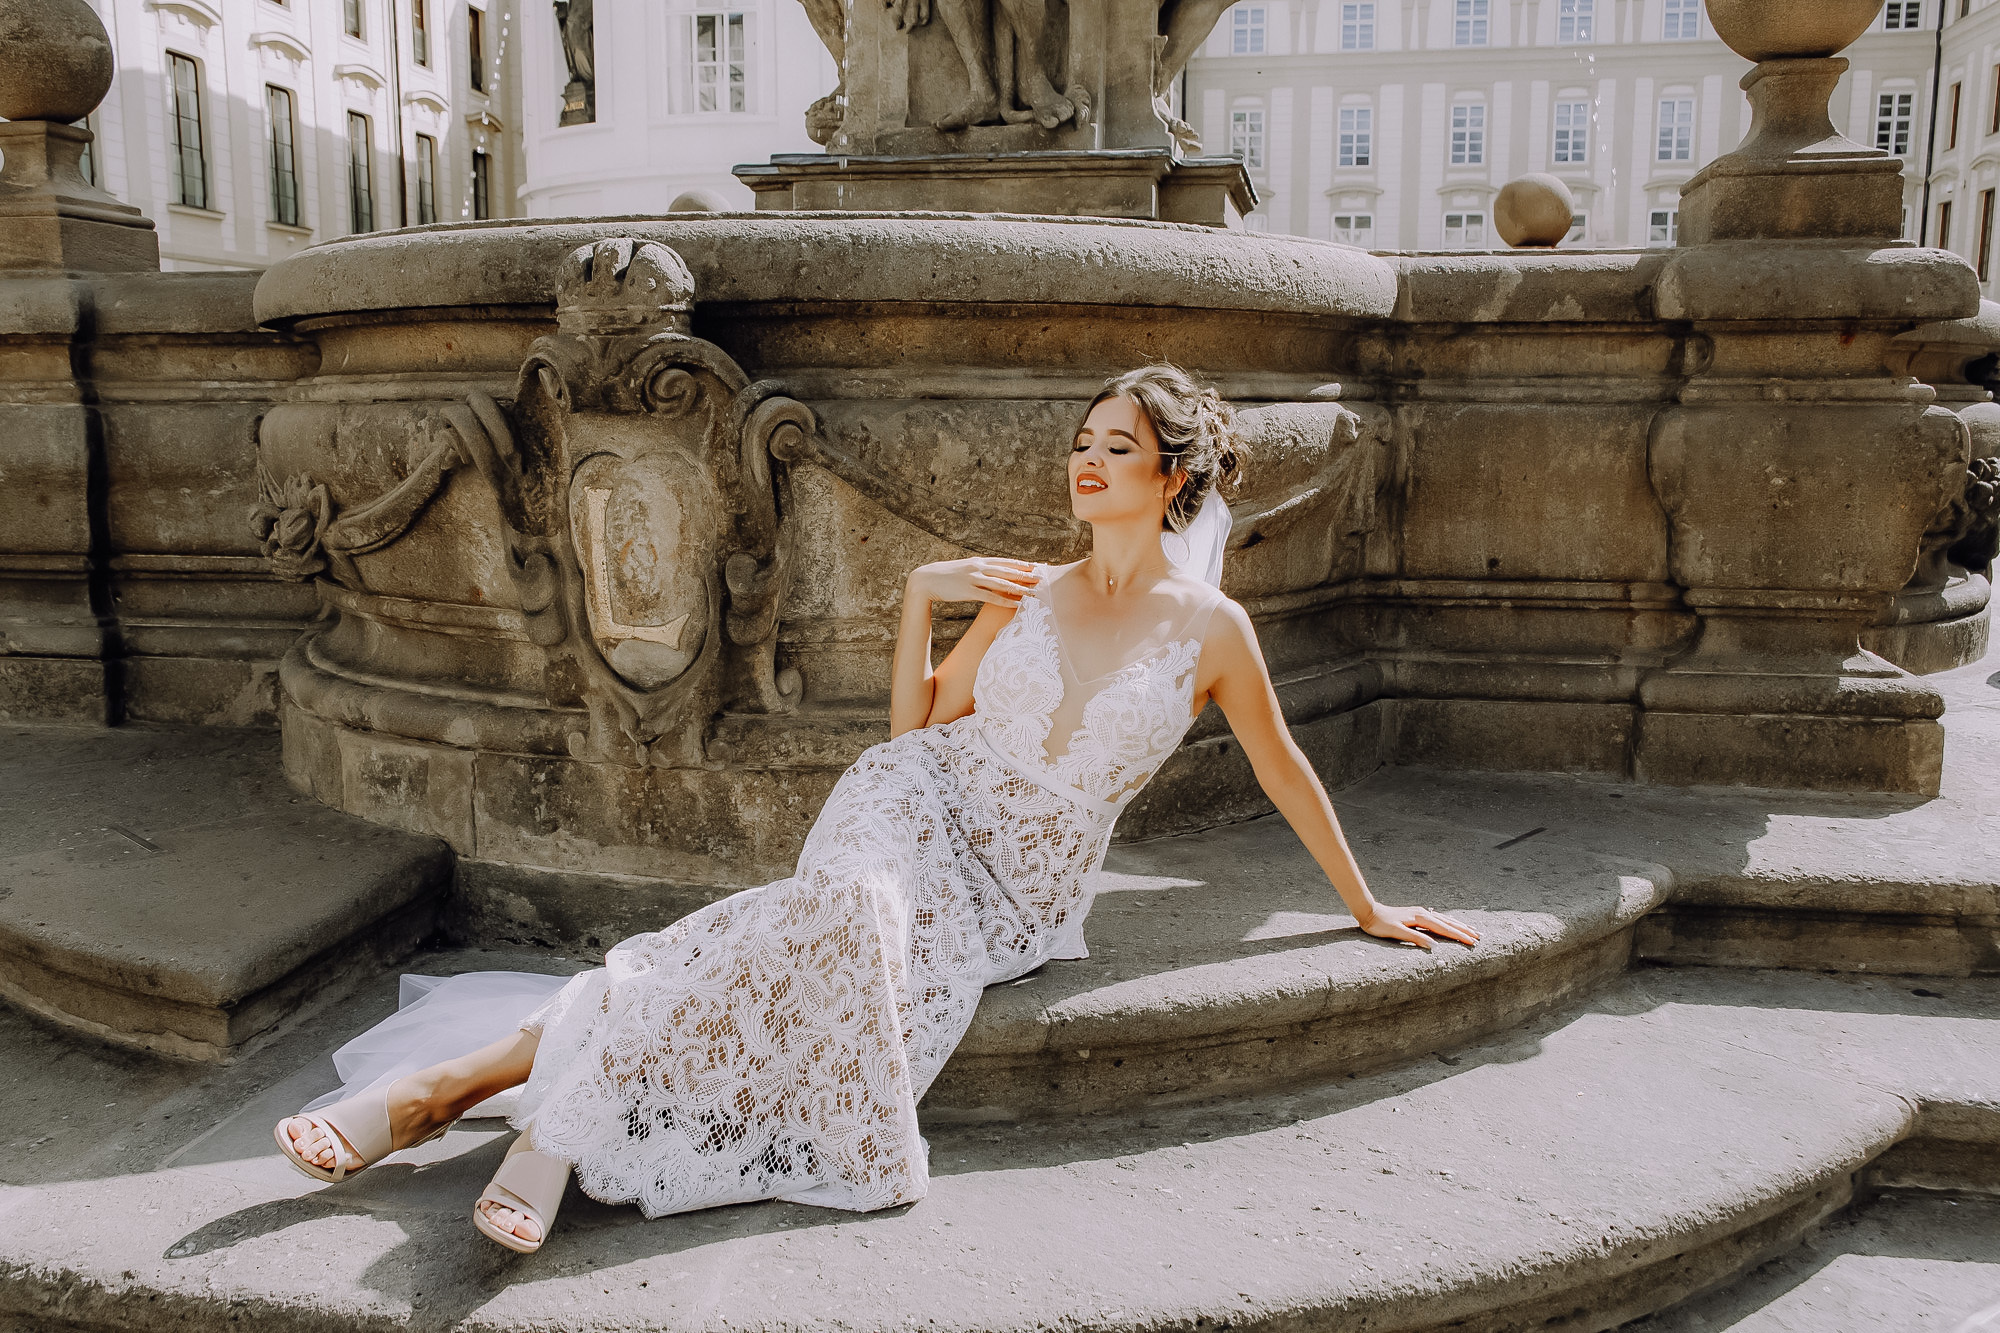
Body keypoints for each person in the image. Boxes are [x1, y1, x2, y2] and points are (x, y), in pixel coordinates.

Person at [272, 365, 1480, 1253]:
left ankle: (464, 1091)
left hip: (1018, 891)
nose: (1085, 460)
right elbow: (914, 735)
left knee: (807, 942)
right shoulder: (1028, 588)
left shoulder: (1211, 631)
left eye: (1114, 446)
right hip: (910, 803)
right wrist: (918, 596)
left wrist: (1365, 904)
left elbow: (1279, 766)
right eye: (1080, 441)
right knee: (848, 909)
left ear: (1172, 475)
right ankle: (540, 1136)